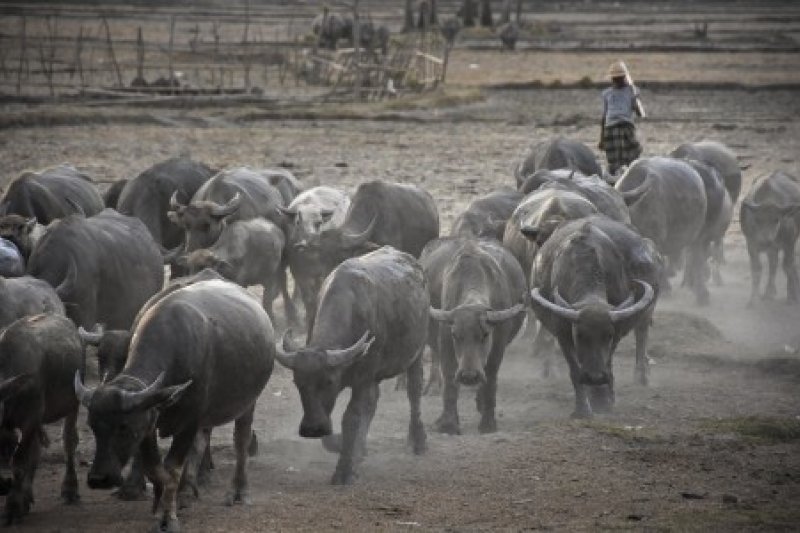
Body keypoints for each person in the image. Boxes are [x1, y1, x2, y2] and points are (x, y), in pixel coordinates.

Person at [599, 60, 644, 177]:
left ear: (624, 77)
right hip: (611, 128)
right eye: (615, 79)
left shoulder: (631, 91)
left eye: (619, 78)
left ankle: (629, 176)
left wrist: (635, 99)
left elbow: (639, 113)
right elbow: (604, 116)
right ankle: (616, 178)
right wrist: (602, 138)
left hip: (625, 126)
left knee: (633, 155)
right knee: (614, 162)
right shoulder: (607, 93)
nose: (617, 81)